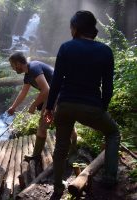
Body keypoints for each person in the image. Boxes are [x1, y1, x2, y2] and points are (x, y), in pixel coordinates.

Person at [44, 10, 120, 198]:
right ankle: (110, 178)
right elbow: (108, 86)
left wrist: (49, 107)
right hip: (91, 106)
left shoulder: (66, 48)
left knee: (61, 146)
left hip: (65, 105)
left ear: (76, 28)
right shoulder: (105, 51)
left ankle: (58, 187)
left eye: (71, 26)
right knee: (113, 133)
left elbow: (56, 82)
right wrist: (102, 106)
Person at [7, 52, 77, 161]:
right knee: (61, 123)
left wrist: (33, 105)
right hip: (56, 95)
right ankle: (70, 150)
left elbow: (46, 89)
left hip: (61, 94)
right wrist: (13, 107)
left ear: (18, 63)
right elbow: (23, 92)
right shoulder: (28, 75)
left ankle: (68, 152)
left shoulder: (34, 68)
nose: (12, 68)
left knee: (47, 123)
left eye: (12, 65)